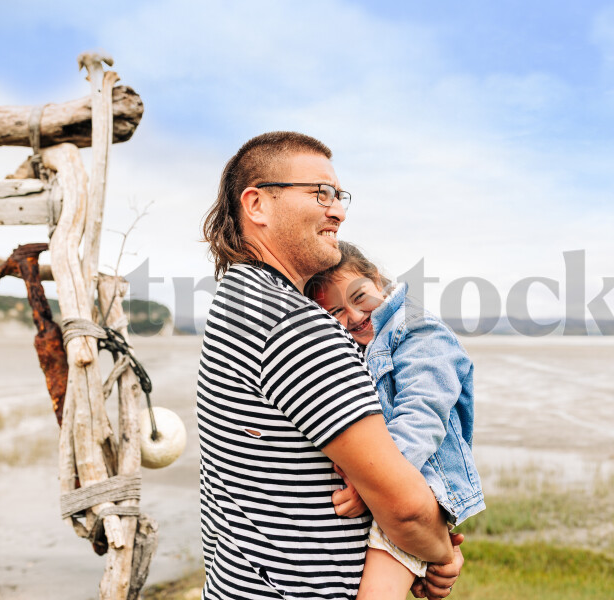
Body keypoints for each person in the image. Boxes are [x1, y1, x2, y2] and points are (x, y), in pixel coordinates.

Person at [197, 131, 463, 600]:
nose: (337, 209)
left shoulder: (235, 299)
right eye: (320, 193)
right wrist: (442, 551)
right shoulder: (293, 324)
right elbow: (404, 509)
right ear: (257, 204)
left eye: (339, 195)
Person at [305, 242, 485, 600]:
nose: (354, 316)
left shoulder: (418, 330)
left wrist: (368, 484)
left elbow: (422, 416)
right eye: (337, 311)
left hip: (417, 484)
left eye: (360, 297)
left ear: (377, 279)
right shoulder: (359, 345)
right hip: (397, 485)